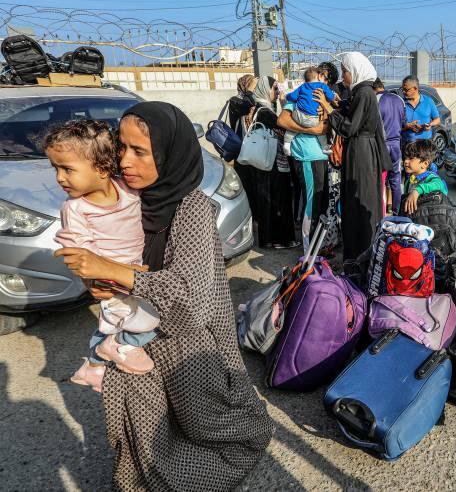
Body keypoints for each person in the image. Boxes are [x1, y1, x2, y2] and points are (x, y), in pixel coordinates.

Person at [54, 102, 275, 490]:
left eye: (140, 151)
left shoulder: (192, 210)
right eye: (121, 147)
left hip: (186, 342)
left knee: (204, 422)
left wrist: (109, 270)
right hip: (136, 333)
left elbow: (189, 299)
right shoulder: (131, 200)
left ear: (170, 152)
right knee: (141, 422)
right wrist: (99, 280)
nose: (125, 161)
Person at [44, 120, 157, 391]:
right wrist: (97, 279)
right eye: (56, 169)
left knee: (119, 321)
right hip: (111, 278)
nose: (60, 177)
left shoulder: (128, 190)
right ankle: (120, 347)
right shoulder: (76, 209)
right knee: (148, 319)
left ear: (102, 168)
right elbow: (80, 251)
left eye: (67, 169)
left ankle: (94, 366)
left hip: (135, 272)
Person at [315, 52, 392, 260]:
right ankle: (358, 254)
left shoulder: (364, 92)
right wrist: (340, 105)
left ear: (355, 71)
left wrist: (327, 107)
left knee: (360, 200)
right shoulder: (361, 92)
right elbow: (353, 112)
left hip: (361, 153)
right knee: (355, 199)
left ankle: (361, 255)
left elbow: (349, 127)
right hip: (360, 150)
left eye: (345, 71)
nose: (343, 77)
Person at [232, 75, 299, 249]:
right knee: (277, 199)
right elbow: (283, 128)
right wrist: (286, 106)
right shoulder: (264, 111)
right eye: (275, 89)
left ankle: (269, 239)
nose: (277, 93)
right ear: (265, 89)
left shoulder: (259, 108)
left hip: (265, 162)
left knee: (267, 200)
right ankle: (279, 240)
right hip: (272, 164)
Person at [277, 78, 330, 251]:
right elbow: (282, 121)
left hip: (322, 156)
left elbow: (326, 126)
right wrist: (310, 130)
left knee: (320, 202)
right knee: (311, 201)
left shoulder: (322, 98)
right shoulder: (297, 100)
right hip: (307, 157)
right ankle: (309, 248)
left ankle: (317, 246)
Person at [283, 66, 336, 155]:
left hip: (299, 116)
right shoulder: (322, 86)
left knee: (292, 129)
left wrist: (286, 96)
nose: (326, 81)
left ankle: (287, 144)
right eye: (324, 78)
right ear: (318, 76)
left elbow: (292, 96)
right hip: (314, 120)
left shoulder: (302, 87)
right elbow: (331, 97)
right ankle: (324, 147)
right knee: (321, 132)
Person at [373, 78, 406, 215]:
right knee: (396, 179)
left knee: (380, 180)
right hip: (396, 145)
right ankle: (396, 211)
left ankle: (380, 214)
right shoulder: (399, 99)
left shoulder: (375, 100)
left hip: (381, 145)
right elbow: (404, 122)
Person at [401, 139, 448, 216]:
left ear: (425, 164)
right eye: (406, 158)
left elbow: (439, 184)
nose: (406, 161)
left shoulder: (431, 177)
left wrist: (417, 190)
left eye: (411, 158)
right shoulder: (410, 180)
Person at [401, 75, 440, 144]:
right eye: (402, 89)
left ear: (415, 88)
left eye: (406, 90)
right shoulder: (401, 103)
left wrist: (430, 125)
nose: (403, 92)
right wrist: (408, 126)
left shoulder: (428, 101)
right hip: (407, 144)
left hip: (425, 144)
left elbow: (437, 120)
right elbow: (395, 126)